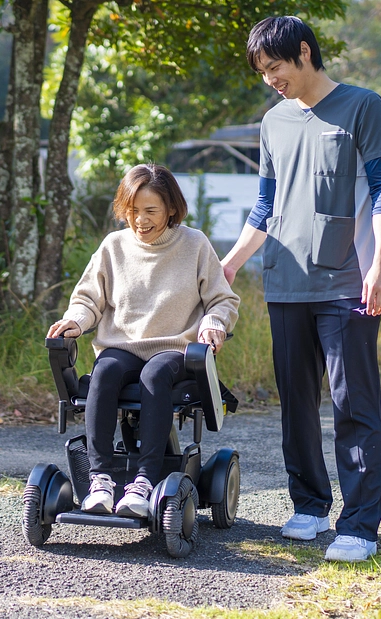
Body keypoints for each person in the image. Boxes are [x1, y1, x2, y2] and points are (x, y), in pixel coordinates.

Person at [220, 16, 381, 563]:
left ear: (304, 52)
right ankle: (309, 504)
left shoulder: (363, 106)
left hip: (349, 280)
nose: (270, 78)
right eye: (263, 72)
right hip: (286, 281)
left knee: (353, 402)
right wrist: (226, 265)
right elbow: (264, 207)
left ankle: (361, 524)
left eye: (276, 66)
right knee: (296, 402)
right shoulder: (273, 122)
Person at [47, 164, 239, 518]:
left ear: (170, 208)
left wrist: (213, 322)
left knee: (154, 375)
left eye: (150, 211)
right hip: (123, 345)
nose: (140, 221)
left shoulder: (195, 244)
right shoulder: (114, 246)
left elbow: (222, 300)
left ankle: (145, 481)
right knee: (104, 373)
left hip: (174, 348)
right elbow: (89, 299)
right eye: (133, 211)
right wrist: (75, 320)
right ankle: (100, 479)